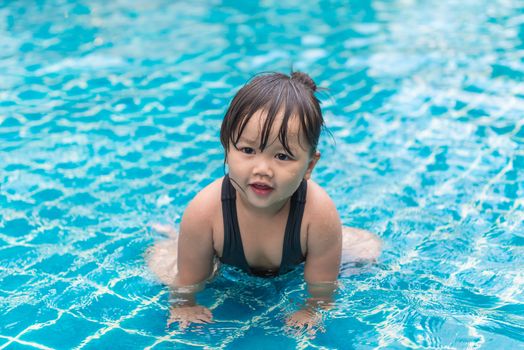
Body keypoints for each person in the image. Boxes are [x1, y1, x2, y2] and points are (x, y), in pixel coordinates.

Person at [147, 71, 382, 333]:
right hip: (220, 255)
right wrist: (184, 304)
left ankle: (341, 239)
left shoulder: (317, 214)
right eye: (247, 150)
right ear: (227, 149)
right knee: (165, 269)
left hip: (303, 255)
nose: (263, 169)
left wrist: (311, 309)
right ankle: (176, 239)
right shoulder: (206, 211)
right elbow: (187, 283)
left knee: (367, 252)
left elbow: (322, 290)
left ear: (309, 165)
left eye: (282, 156)